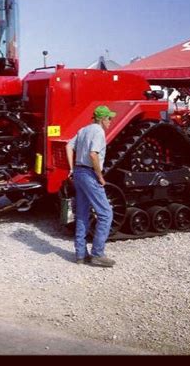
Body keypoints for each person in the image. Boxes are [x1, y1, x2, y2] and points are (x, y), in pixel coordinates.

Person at [65, 105, 117, 268]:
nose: (110, 121)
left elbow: (68, 146)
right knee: (106, 214)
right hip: (89, 174)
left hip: (79, 173)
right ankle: (97, 254)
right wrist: (100, 176)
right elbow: (93, 154)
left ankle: (80, 254)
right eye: (109, 118)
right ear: (102, 119)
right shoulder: (98, 131)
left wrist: (72, 168)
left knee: (82, 214)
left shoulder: (83, 130)